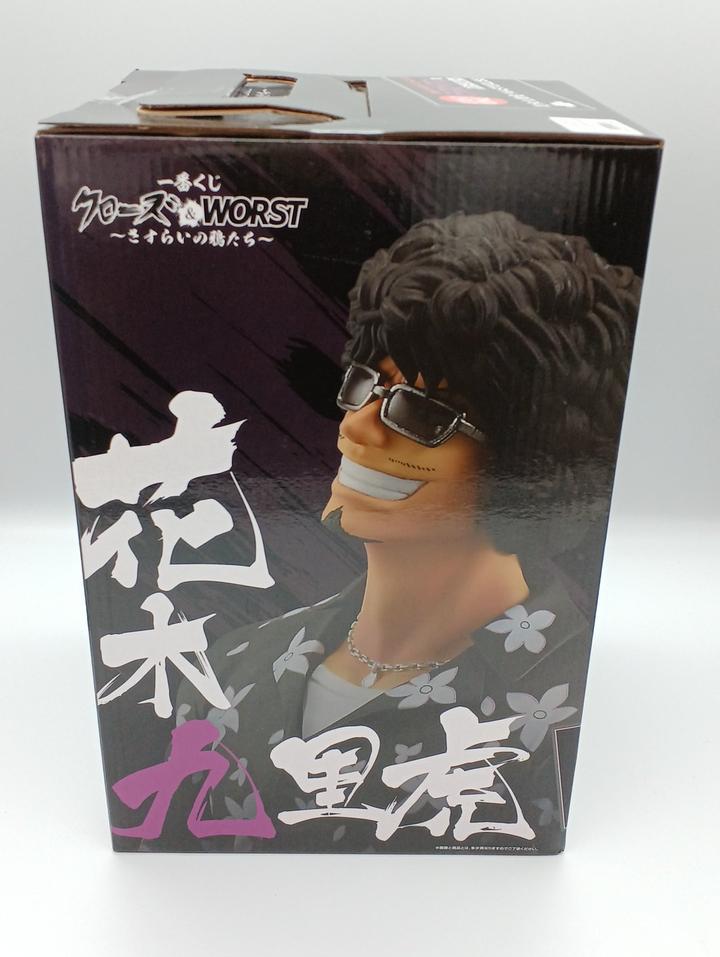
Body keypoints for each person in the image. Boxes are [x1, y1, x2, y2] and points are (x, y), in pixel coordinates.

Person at [177, 211, 641, 854]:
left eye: (422, 414)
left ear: (533, 461)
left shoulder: (573, 701)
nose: (357, 427)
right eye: (364, 385)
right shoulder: (231, 667)